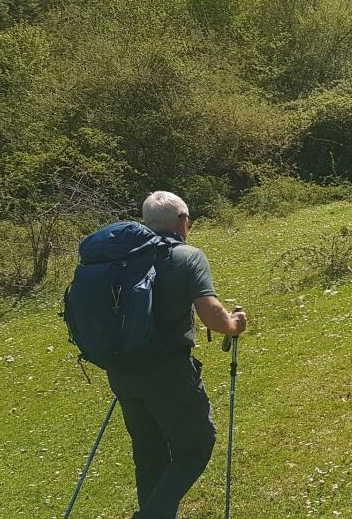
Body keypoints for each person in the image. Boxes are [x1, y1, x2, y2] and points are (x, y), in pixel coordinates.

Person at [108, 191, 248, 518]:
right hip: (168, 370)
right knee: (196, 446)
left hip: (121, 371)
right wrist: (233, 326)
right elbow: (211, 315)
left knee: (149, 455)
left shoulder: (121, 258)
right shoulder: (187, 256)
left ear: (147, 222)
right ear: (183, 221)